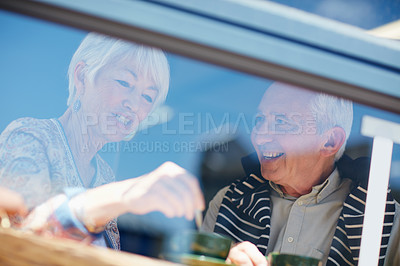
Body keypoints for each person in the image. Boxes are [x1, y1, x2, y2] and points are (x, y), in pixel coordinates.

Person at [0, 32, 204, 250]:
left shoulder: (105, 174)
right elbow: (22, 237)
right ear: (82, 76)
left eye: (147, 97)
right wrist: (125, 194)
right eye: (124, 82)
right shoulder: (30, 136)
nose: (134, 105)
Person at [201, 82, 400, 266]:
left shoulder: (384, 222)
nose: (260, 136)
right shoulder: (228, 202)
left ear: (330, 142)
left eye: (281, 122)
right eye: (260, 120)